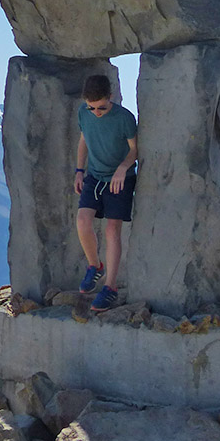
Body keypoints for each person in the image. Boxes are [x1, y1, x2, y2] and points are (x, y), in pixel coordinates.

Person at [74, 74, 137, 313]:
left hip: (120, 179)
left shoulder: (124, 118)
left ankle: (110, 287)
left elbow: (135, 149)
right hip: (94, 176)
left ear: (110, 98)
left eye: (101, 107)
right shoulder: (84, 113)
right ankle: (95, 266)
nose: (96, 112)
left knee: (112, 230)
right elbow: (83, 141)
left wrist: (123, 168)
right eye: (92, 108)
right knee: (82, 221)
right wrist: (79, 170)